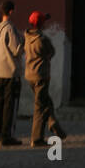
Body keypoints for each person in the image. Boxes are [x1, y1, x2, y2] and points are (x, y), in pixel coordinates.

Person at [24, 11, 67, 147]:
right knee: (40, 107)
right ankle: (36, 138)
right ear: (41, 24)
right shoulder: (42, 39)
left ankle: (53, 122)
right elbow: (51, 52)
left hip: (29, 75)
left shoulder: (26, 36)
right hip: (41, 75)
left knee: (45, 100)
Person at [0, 0, 24, 148]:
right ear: (11, 11)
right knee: (10, 105)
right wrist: (23, 41)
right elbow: (17, 50)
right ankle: (6, 135)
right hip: (10, 72)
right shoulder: (10, 29)